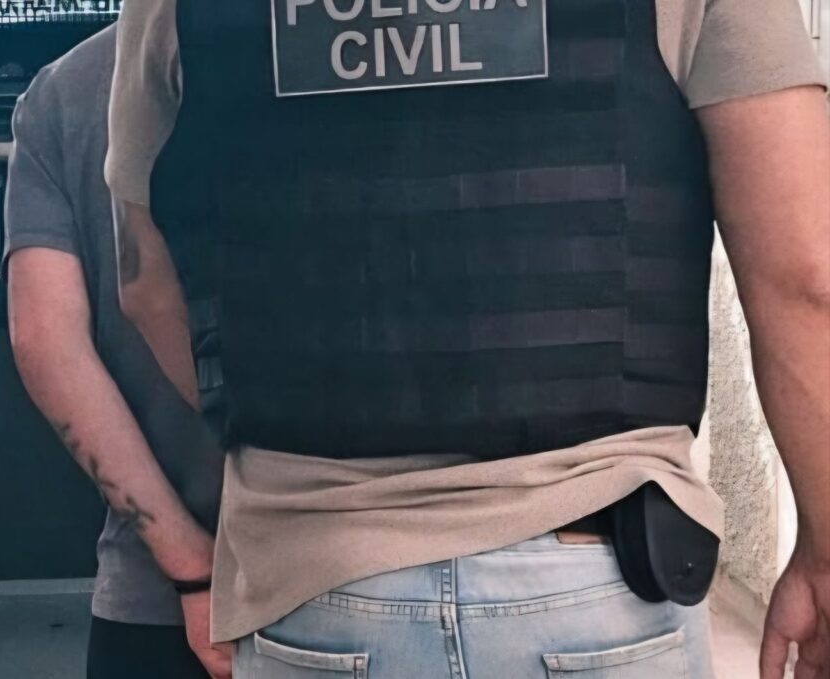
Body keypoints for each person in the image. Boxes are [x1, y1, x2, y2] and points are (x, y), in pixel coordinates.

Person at [105, 1, 829, 677]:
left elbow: (143, 281)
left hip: (312, 583)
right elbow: (805, 272)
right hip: (603, 577)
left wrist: (278, 408)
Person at [3, 25, 231, 679]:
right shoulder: (344, 52)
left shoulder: (64, 91)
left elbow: (46, 340)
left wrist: (193, 569)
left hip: (155, 598)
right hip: (359, 572)